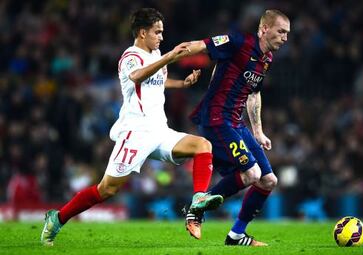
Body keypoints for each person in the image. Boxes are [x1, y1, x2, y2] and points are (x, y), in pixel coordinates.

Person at [40, 8, 223, 246]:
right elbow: (137, 76)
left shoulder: (155, 53)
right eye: (157, 32)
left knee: (202, 145)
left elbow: (157, 80)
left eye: (162, 32)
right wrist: (169, 57)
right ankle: (57, 218)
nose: (161, 37)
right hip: (135, 132)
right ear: (142, 32)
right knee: (107, 190)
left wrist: (181, 83)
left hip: (159, 129)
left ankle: (197, 202)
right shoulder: (130, 57)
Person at [175, 9, 290, 246]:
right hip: (216, 118)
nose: (285, 38)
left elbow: (254, 93)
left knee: (268, 181)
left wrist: (258, 131)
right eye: (281, 31)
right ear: (265, 29)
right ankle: (196, 209)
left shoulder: (266, 60)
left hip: (236, 122)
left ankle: (236, 235)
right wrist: (166, 58)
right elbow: (201, 45)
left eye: (287, 33)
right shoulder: (239, 42)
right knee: (252, 174)